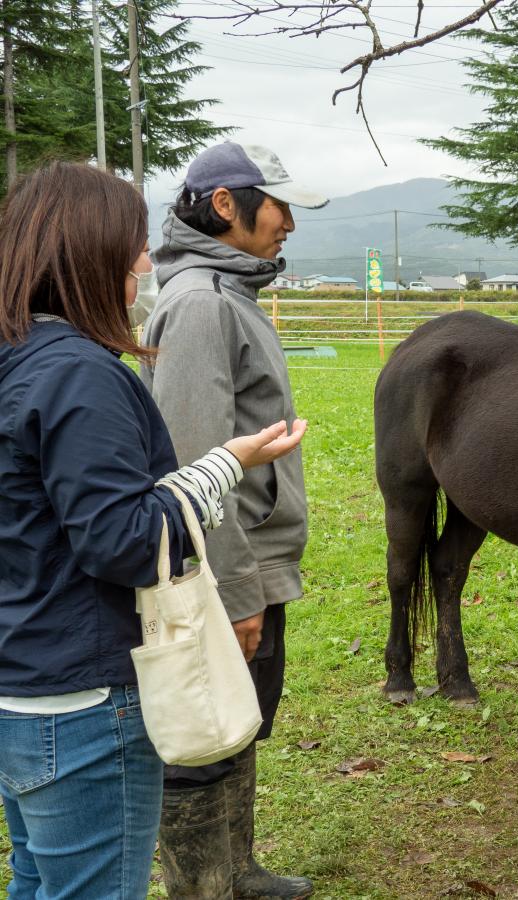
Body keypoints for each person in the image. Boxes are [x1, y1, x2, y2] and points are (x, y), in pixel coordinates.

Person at [0, 162, 305, 899]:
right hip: (82, 704)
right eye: (132, 244)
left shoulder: (18, 359)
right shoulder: (79, 372)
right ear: (88, 252)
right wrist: (225, 464)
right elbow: (124, 542)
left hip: (25, 685)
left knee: (43, 881)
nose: (144, 261)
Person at [140, 141, 328, 900]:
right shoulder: (201, 306)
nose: (289, 222)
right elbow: (193, 463)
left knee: (239, 718)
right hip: (225, 569)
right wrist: (235, 588)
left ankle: (237, 871)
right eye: (278, 204)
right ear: (227, 205)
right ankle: (202, 889)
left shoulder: (227, 295)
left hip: (250, 561)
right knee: (202, 738)